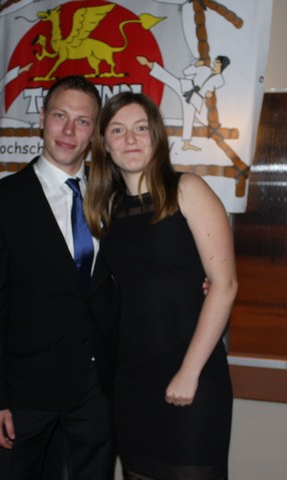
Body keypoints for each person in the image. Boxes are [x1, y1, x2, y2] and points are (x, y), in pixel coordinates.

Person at [0, 75, 118, 480]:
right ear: (42, 120)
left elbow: (137, 272)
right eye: (59, 116)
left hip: (97, 391)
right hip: (22, 395)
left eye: (82, 121)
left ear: (95, 133)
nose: (69, 131)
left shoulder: (112, 198)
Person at [85, 92, 238, 480]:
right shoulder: (107, 208)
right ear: (104, 144)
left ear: (156, 136)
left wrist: (189, 372)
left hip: (192, 372)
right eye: (117, 130)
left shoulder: (187, 189)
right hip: (132, 378)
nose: (130, 139)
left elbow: (225, 285)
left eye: (140, 128)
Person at [136, 55, 230, 151]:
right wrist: (195, 65)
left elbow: (209, 90)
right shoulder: (205, 69)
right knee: (170, 79)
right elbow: (186, 72)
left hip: (196, 97)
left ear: (222, 65)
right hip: (187, 86)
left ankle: (186, 144)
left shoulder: (220, 80)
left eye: (217, 63)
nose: (213, 63)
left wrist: (208, 94)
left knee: (189, 118)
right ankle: (148, 63)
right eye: (215, 62)